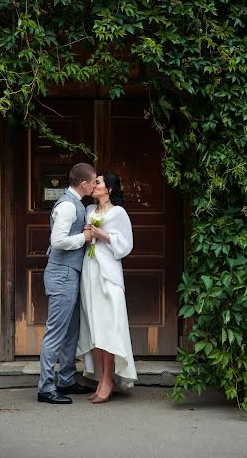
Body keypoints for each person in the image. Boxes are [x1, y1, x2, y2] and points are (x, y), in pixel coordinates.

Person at [37, 162, 97, 405]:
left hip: (70, 273)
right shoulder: (67, 206)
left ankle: (66, 379)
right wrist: (84, 237)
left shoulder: (76, 204)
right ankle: (46, 387)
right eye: (93, 181)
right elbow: (58, 240)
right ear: (83, 184)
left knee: (71, 330)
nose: (94, 185)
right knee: (56, 332)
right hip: (62, 274)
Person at [76, 172, 137, 403]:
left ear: (109, 189)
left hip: (109, 275)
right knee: (95, 328)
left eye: (98, 182)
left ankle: (109, 381)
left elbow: (126, 245)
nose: (94, 185)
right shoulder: (89, 211)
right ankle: (102, 378)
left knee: (110, 326)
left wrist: (103, 235)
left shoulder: (119, 213)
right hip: (90, 272)